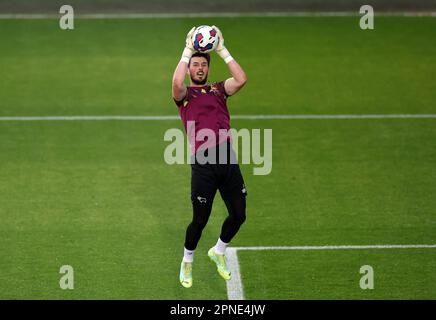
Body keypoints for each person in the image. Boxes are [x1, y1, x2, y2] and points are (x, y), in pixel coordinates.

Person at [172, 26, 248, 288]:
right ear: (190, 68)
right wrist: (187, 50)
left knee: (239, 215)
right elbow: (175, 84)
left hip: (227, 160)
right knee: (200, 220)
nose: (200, 68)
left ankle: (218, 252)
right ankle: (187, 261)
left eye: (203, 64)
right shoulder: (185, 96)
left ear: (208, 68)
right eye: (195, 65)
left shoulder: (218, 90)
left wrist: (222, 49)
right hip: (203, 165)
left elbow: (241, 79)